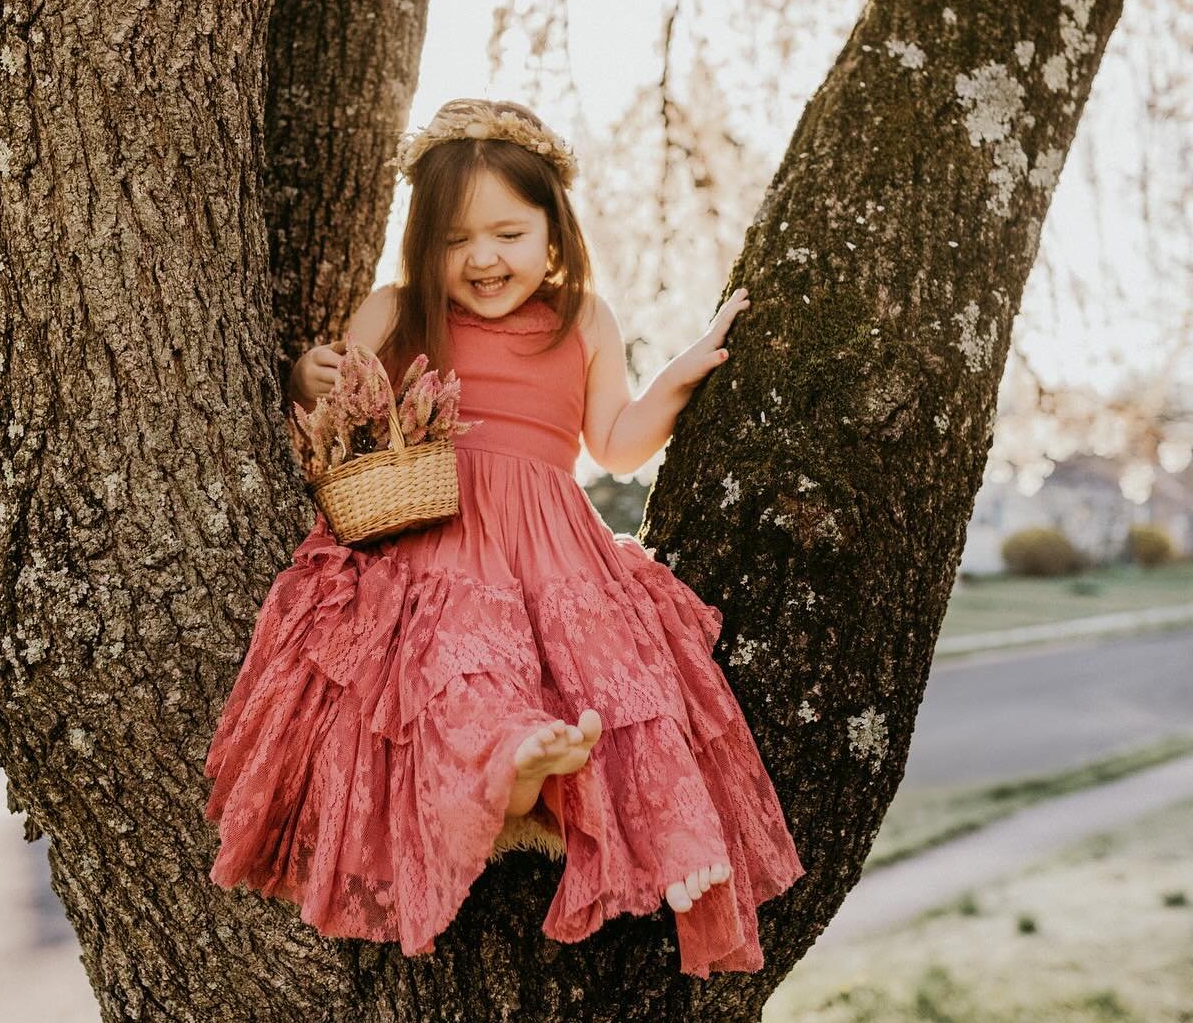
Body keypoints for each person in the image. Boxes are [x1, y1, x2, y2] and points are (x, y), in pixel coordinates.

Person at [203, 98, 805, 976]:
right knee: (452, 659)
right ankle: (511, 766)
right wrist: (309, 372)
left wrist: (679, 377)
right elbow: (342, 430)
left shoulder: (583, 318)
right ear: (422, 246)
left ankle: (655, 827)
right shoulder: (395, 309)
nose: (482, 259)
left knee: (613, 675)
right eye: (454, 241)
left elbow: (617, 443)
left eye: (507, 234)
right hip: (431, 533)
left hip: (549, 543)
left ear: (554, 231)